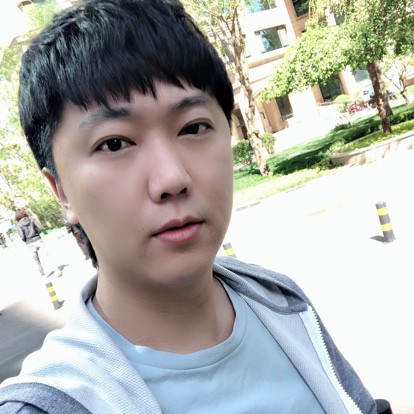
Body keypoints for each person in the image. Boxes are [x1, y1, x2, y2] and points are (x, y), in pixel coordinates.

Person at [0, 1, 379, 413]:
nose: (171, 179)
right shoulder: (46, 406)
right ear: (61, 190)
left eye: (193, 127)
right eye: (114, 143)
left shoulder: (282, 303)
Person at [15, 209, 46, 276]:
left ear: (16, 216)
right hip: (38, 239)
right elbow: (40, 228)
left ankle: (42, 274)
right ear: (24, 213)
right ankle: (56, 270)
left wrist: (26, 240)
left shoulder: (18, 225)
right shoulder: (31, 219)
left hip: (30, 243)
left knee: (37, 260)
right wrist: (37, 234)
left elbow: (22, 236)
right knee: (46, 255)